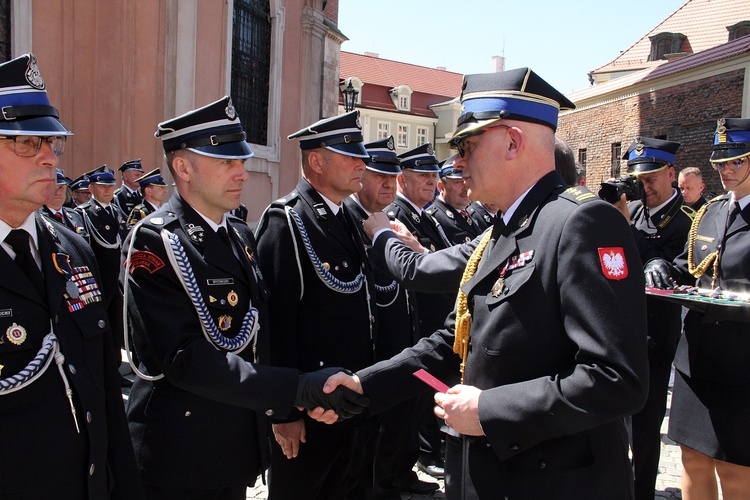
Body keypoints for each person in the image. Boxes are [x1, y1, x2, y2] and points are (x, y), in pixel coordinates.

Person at [323, 67, 649, 499]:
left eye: (468, 147)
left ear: (512, 142)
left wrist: (488, 410)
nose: (457, 163)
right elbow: (456, 341)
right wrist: (365, 385)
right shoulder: (506, 228)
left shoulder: (582, 222)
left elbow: (616, 379)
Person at [122, 96, 367, 499]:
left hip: (233, 445)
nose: (242, 173)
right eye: (226, 163)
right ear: (183, 167)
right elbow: (185, 358)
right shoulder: (156, 240)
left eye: (242, 161)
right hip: (180, 454)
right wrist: (295, 389)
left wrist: (282, 408)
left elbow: (260, 331)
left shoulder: (238, 235)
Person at [0, 53, 142, 498]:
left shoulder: (71, 248)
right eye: (28, 143)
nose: (49, 158)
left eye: (52, 143)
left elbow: (102, 396)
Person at [254, 110, 378, 499]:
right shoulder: (287, 221)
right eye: (349, 155)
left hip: (350, 398)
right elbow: (276, 325)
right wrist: (283, 413)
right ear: (316, 161)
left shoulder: (349, 218)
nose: (362, 163)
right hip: (311, 406)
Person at [644, 117, 750, 499]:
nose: (726, 171)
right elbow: (693, 265)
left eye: (737, 161)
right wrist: (659, 266)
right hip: (696, 360)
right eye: (722, 163)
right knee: (694, 460)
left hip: (742, 366)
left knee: (736, 471)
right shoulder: (713, 211)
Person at [343, 136, 439, 497]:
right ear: (360, 177)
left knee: (404, 418)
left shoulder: (387, 223)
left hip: (407, 340)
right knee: (378, 431)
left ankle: (396, 477)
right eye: (378, 176)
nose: (387, 184)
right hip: (378, 348)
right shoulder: (357, 221)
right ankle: (382, 485)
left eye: (391, 176)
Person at [612, 137, 693, 500]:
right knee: (618, 421)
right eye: (640, 181)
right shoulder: (637, 214)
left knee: (646, 427)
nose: (645, 187)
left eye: (652, 179)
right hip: (625, 333)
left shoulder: (691, 220)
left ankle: (641, 492)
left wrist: (659, 262)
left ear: (671, 174)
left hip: (658, 336)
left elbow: (681, 269)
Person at [385, 142, 452, 478]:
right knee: (411, 405)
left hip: (433, 323)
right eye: (422, 175)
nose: (431, 181)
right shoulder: (399, 216)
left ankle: (407, 470)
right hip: (418, 324)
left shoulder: (424, 216)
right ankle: (399, 474)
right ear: (403, 179)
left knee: (422, 402)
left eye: (432, 175)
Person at [77, 164, 129, 374]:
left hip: (115, 280)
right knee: (99, 327)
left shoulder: (116, 211)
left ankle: (114, 369)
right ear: (91, 189)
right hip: (97, 280)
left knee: (116, 326)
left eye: (110, 186)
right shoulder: (83, 214)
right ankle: (99, 370)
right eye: (102, 186)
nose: (108, 190)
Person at [426, 155, 482, 245]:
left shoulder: (468, 215)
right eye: (458, 182)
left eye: (467, 180)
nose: (465, 187)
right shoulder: (432, 218)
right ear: (441, 186)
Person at [40, 167, 88, 237]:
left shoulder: (75, 216)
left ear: (66, 188)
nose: (58, 193)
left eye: (61, 187)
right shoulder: (37, 217)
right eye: (52, 188)